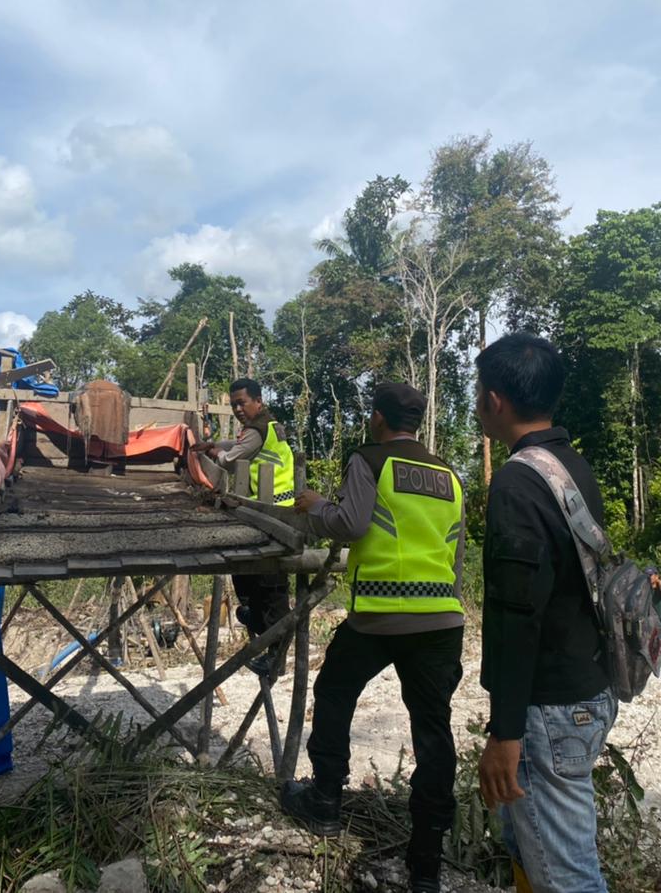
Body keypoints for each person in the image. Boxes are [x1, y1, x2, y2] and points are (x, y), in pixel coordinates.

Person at [282, 382, 465, 893]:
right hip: (441, 620)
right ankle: (427, 863)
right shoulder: (449, 475)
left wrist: (314, 504)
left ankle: (324, 801)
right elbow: (456, 553)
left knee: (335, 692)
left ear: (379, 418)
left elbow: (350, 524)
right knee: (434, 734)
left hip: (380, 615)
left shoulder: (370, 459)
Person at [473, 333, 616, 893]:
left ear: (496, 401)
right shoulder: (571, 465)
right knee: (531, 853)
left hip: (548, 708)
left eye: (480, 391)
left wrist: (505, 733)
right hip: (588, 686)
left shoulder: (516, 481)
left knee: (565, 876)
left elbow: (516, 615)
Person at [193, 378, 295, 672]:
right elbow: (237, 444)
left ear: (258, 401)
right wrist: (214, 444)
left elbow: (230, 458)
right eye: (234, 403)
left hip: (274, 511)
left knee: (271, 585)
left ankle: (275, 655)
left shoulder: (257, 429)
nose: (237, 408)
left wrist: (213, 452)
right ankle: (254, 614)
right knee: (247, 570)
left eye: (242, 403)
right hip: (268, 508)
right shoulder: (268, 425)